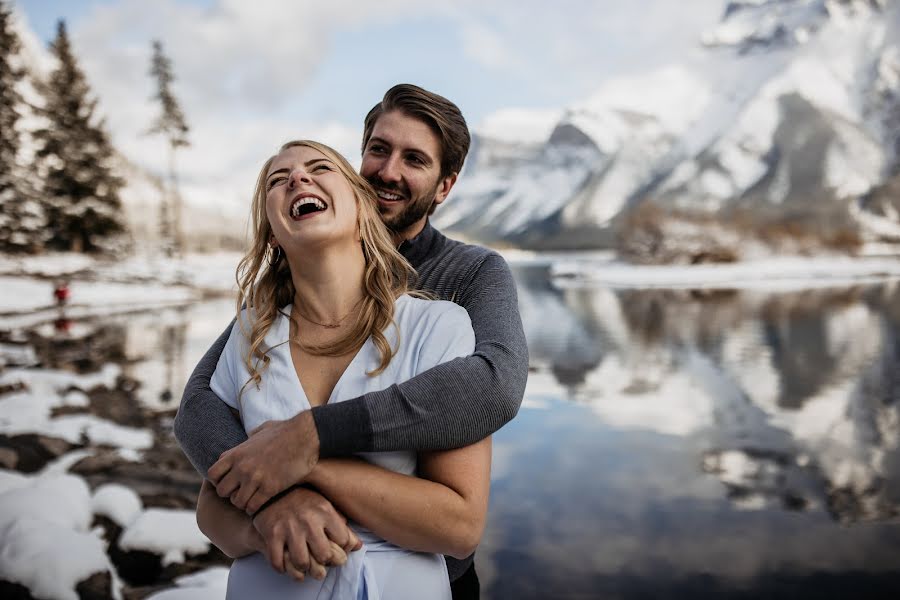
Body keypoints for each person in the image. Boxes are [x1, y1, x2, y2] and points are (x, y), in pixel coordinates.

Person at [175, 84, 529, 598]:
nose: (388, 171)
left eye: (415, 159)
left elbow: (495, 385)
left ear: (444, 186)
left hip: (426, 572)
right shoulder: (272, 309)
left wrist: (310, 438)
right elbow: (197, 407)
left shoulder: (468, 277)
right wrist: (269, 501)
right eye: (379, 150)